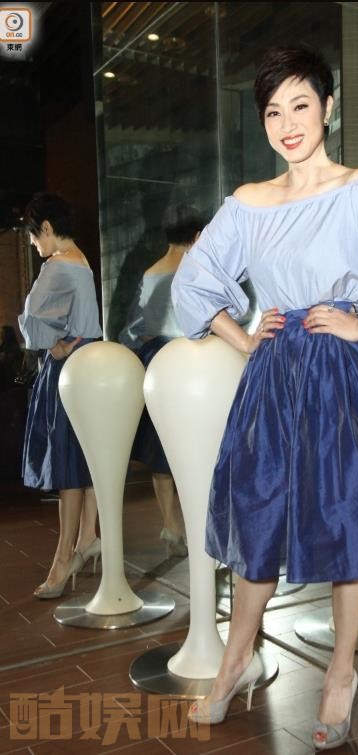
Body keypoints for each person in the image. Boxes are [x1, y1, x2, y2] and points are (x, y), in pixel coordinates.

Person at [171, 45, 358, 749]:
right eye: (273, 111)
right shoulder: (249, 202)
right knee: (257, 515)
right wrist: (244, 338)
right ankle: (236, 659)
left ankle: (339, 674)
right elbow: (194, 281)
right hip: (275, 379)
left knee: (345, 517)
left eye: (301, 104)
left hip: (346, 375)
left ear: (328, 108)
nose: (288, 123)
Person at [19, 193, 103, 598]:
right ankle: (88, 538)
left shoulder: (57, 265)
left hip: (68, 371)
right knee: (87, 461)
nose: (33, 244)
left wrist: (51, 342)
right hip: (94, 365)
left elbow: (30, 319)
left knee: (68, 467)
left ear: (47, 228)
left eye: (34, 236)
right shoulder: (82, 259)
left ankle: (63, 559)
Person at [119, 206, 203, 556]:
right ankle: (198, 527)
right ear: (197, 235)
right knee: (195, 447)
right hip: (190, 363)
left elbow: (133, 330)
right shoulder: (196, 270)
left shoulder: (150, 271)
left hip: (156, 364)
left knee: (159, 448)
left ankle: (170, 523)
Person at [0, 325, 23, 391]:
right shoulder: (3, 344)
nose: (1, 335)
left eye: (2, 333)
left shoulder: (14, 347)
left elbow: (7, 361)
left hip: (10, 375)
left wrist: (3, 357)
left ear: (7, 334)